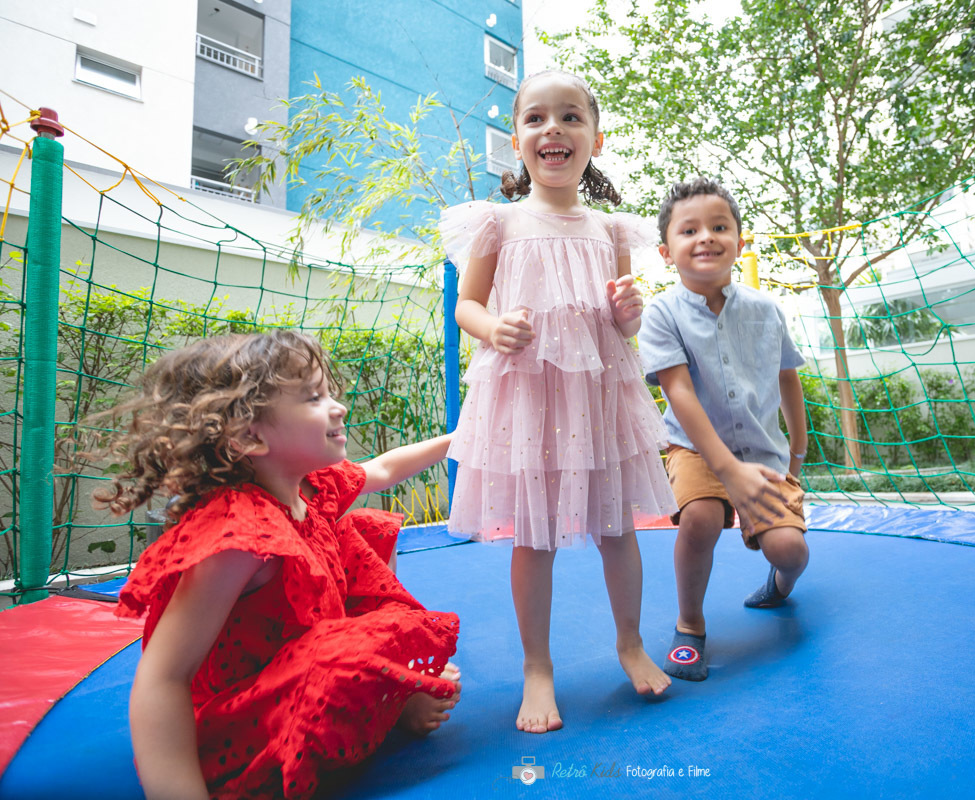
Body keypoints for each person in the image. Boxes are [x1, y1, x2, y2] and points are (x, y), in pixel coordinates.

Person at [98, 330, 461, 800]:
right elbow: (162, 676)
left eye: (329, 392)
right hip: (247, 725)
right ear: (251, 436)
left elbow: (384, 470)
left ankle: (390, 700)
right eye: (314, 398)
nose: (338, 407)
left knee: (364, 529)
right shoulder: (239, 537)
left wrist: (459, 440)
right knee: (350, 648)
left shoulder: (310, 485)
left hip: (298, 660)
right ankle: (387, 701)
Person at [440, 69, 677, 734]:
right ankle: (537, 667)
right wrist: (493, 328)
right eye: (536, 118)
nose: (554, 128)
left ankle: (630, 642)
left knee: (617, 529)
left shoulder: (611, 230)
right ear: (518, 140)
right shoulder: (497, 223)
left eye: (571, 117)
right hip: (528, 399)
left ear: (595, 139)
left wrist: (628, 313)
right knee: (533, 537)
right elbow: (467, 305)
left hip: (596, 401)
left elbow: (621, 325)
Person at [639, 177, 811, 682]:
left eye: (719, 227)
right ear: (666, 252)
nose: (706, 238)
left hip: (762, 451)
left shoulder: (765, 310)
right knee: (700, 519)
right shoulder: (662, 313)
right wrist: (726, 470)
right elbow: (679, 392)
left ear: (739, 240)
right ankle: (689, 623)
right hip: (695, 449)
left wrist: (797, 451)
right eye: (689, 230)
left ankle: (780, 583)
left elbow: (787, 377)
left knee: (791, 551)